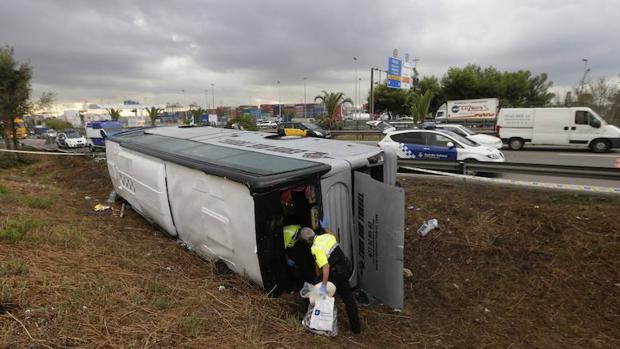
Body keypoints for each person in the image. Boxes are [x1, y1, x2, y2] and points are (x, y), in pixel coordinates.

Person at [299, 226, 361, 334]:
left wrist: (323, 286)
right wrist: (325, 227)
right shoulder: (327, 236)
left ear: (306, 241)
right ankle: (356, 328)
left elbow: (326, 267)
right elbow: (332, 235)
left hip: (335, 272)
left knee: (312, 290)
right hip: (346, 267)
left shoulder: (315, 248)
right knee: (348, 299)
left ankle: (309, 319)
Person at [283, 225, 315, 291]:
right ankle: (291, 287)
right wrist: (287, 259)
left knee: (303, 262)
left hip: (292, 245)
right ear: (301, 237)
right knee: (291, 267)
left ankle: (309, 280)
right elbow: (282, 250)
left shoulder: (301, 230)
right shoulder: (290, 234)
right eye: (305, 241)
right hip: (285, 245)